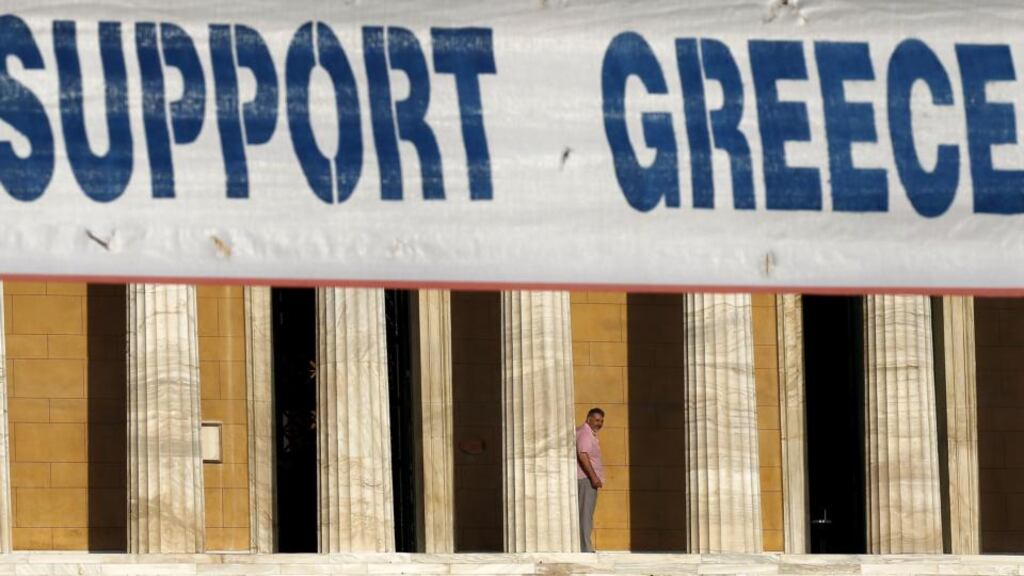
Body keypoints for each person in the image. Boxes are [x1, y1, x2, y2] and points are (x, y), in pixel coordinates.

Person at [576, 407, 604, 552]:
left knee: (586, 515)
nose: (599, 423)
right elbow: (583, 455)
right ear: (589, 419)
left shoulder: (588, 433)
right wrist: (594, 478)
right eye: (597, 420)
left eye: (601, 421)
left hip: (587, 480)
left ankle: (585, 546)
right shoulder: (585, 433)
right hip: (586, 480)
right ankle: (585, 548)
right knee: (585, 515)